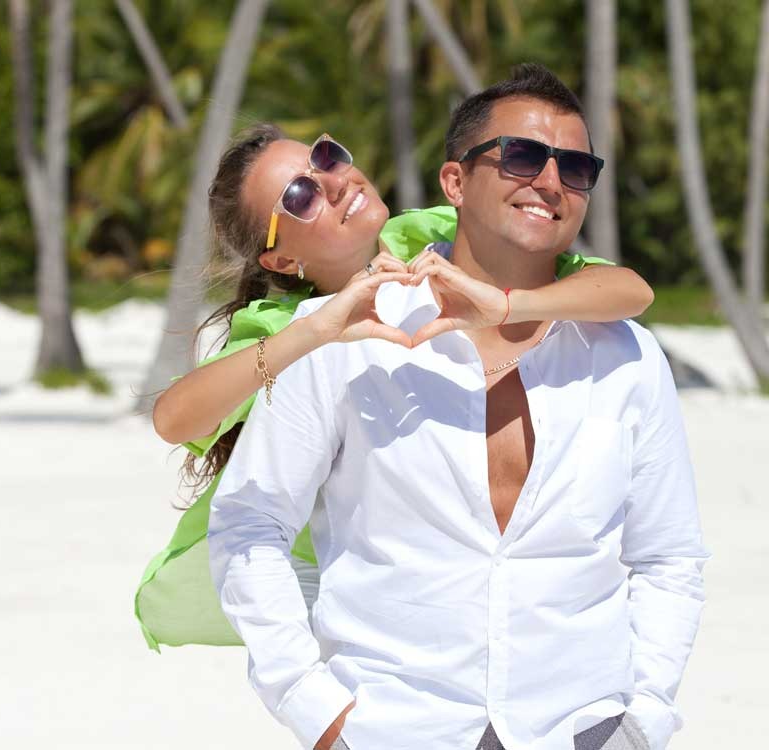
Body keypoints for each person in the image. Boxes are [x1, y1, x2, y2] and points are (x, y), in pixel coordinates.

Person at [207, 64, 707, 750]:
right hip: (396, 725)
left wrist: (643, 718)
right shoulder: (338, 336)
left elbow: (670, 557)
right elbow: (247, 528)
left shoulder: (627, 356)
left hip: (584, 724)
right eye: (524, 157)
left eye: (576, 167)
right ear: (455, 182)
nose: (551, 182)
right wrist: (315, 708)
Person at [135, 125, 655, 652]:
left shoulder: (433, 235)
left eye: (326, 157)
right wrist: (317, 331)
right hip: (358, 579)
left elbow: (628, 291)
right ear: (282, 261)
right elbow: (175, 420)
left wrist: (505, 302)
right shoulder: (285, 324)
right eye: (300, 196)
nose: (334, 183)